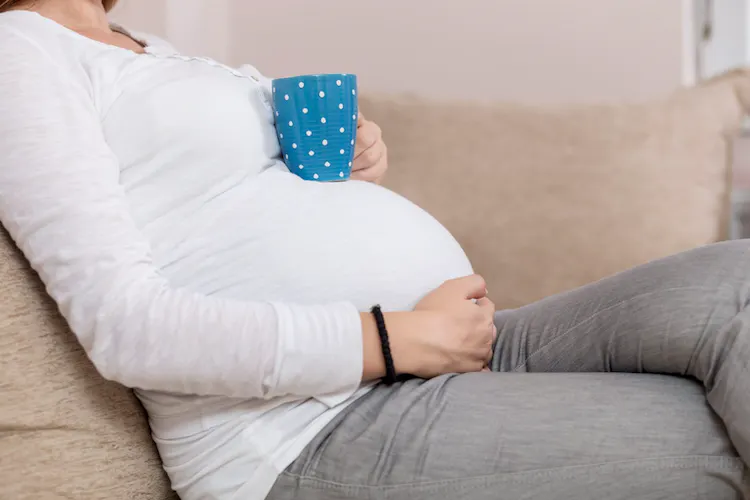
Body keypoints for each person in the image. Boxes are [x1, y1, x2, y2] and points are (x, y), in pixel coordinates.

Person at [0, 1, 748, 499]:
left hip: (453, 347)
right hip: (309, 428)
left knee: (735, 283)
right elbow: (130, 330)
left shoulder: (150, 50)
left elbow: (223, 204)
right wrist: (392, 338)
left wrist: (350, 168)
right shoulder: (20, 54)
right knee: (707, 434)